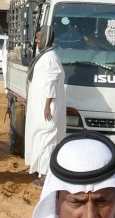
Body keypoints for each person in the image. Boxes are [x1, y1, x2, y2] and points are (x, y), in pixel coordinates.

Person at [25, 30, 66, 177]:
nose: (36, 41)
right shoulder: (45, 55)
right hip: (41, 106)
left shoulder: (50, 58)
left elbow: (51, 83)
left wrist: (47, 106)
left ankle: (46, 175)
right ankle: (41, 172)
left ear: (45, 38)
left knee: (47, 140)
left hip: (46, 109)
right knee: (42, 138)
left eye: (38, 38)